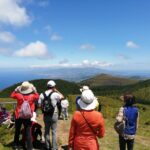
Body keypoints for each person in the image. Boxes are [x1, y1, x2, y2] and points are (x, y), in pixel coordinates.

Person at [10, 81, 39, 150]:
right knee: (28, 132)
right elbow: (37, 96)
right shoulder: (32, 96)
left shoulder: (18, 95)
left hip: (18, 116)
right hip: (27, 117)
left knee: (17, 131)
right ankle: (29, 147)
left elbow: (11, 95)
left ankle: (15, 145)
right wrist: (35, 90)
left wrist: (15, 90)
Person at [38, 80, 64, 150]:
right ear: (54, 86)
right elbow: (62, 97)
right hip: (54, 114)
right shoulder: (55, 94)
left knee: (46, 131)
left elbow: (39, 105)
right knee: (54, 131)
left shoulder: (42, 94)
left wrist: (44, 110)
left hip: (46, 115)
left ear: (47, 86)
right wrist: (56, 90)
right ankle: (54, 147)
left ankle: (47, 146)